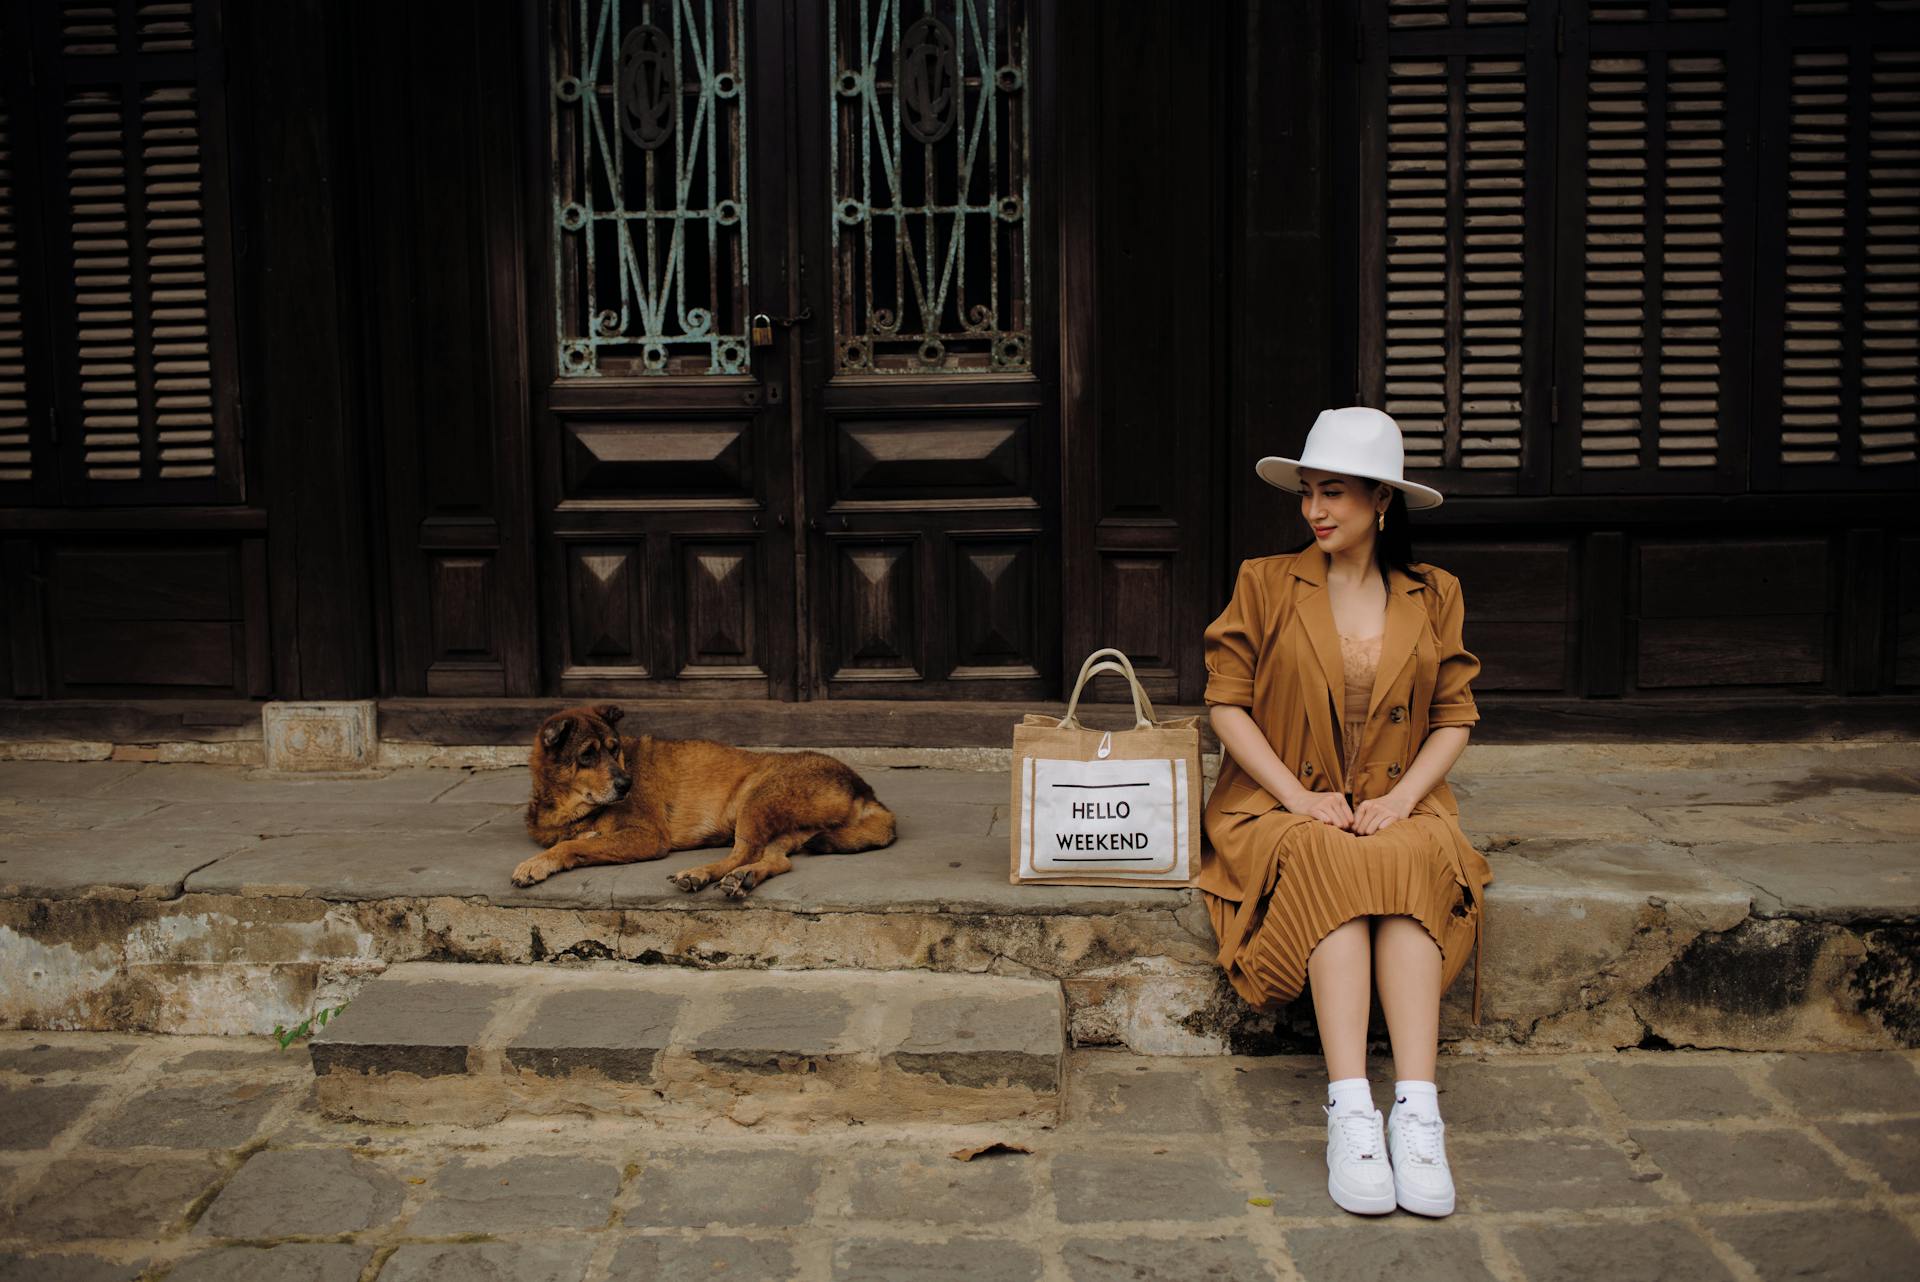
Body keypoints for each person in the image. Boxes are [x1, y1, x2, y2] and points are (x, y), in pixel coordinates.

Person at [1196, 406, 1492, 1218]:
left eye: (1334, 494)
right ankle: (1352, 1108)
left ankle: (1419, 1111)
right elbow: (1226, 707)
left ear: (1381, 502)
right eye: (1308, 493)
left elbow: (1455, 717)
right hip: (1275, 800)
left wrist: (1399, 800)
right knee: (1330, 858)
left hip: (1398, 794)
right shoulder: (1265, 581)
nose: (1315, 510)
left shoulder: (1434, 594)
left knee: (1405, 857)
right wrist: (1298, 796)